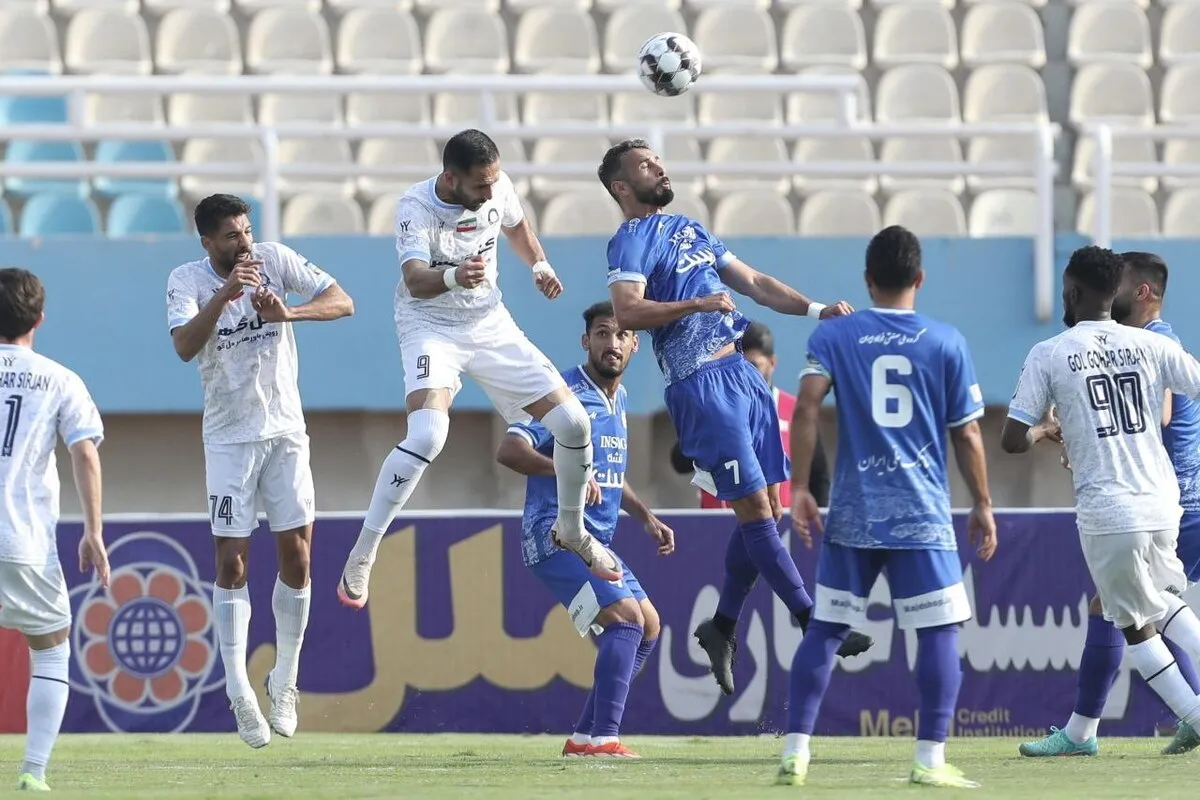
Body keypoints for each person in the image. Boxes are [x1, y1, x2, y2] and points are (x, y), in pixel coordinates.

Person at [597, 138, 872, 700]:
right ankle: (814, 621)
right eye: (646, 165)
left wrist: (817, 310)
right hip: (700, 384)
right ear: (622, 186)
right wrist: (696, 305)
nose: (659, 168)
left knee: (768, 509)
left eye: (658, 160)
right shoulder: (630, 238)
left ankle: (722, 624)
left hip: (745, 378)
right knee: (755, 514)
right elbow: (627, 309)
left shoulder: (691, 229)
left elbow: (757, 283)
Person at [339, 129, 616, 609]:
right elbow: (415, 281)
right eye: (480, 185)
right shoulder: (415, 207)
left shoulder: (497, 186)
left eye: (493, 182)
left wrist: (539, 265)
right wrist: (453, 276)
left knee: (574, 423)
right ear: (451, 178)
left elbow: (517, 228)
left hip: (489, 323)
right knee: (428, 435)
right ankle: (364, 552)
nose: (490, 192)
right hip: (430, 326)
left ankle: (571, 529)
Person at [780, 226, 997, 789]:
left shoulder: (835, 335)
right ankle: (929, 760)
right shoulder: (946, 341)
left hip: (854, 510)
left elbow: (806, 408)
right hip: (920, 514)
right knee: (938, 634)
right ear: (919, 278)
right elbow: (968, 433)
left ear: (867, 279)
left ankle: (795, 752)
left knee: (826, 629)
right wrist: (983, 503)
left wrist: (800, 487)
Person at [166, 194, 355, 748]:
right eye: (231, 236)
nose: (245, 243)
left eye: (246, 231)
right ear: (208, 242)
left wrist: (288, 313)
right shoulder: (185, 280)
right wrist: (226, 294)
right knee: (232, 562)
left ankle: (285, 679)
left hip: (286, 432)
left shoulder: (275, 258)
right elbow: (183, 346)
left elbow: (342, 301)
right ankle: (238, 689)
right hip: (229, 438)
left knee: (299, 556)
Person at [1002, 245, 1200, 767]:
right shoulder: (1150, 343)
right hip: (1162, 501)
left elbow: (1011, 439)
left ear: (1071, 292)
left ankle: (1195, 717)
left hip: (1111, 510)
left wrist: (1046, 427)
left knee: (1133, 621)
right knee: (1158, 602)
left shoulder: (1051, 352)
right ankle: (1081, 731)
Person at [496, 301, 673, 759]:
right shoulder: (560, 395)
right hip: (553, 534)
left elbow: (609, 474)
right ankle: (603, 739)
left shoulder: (621, 399)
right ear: (586, 341)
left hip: (595, 542)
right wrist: (565, 471)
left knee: (648, 626)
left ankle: (583, 737)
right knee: (626, 620)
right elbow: (510, 450)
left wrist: (646, 516)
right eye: (602, 333)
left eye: (621, 335)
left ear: (634, 344)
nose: (612, 343)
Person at [0, 268, 107, 791]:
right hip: (23, 539)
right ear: (39, 318)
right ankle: (33, 771)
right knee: (50, 647)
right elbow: (84, 452)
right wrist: (93, 531)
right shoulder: (61, 379)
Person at [669, 320, 831, 508]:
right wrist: (709, 427)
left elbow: (818, 477)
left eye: (754, 365)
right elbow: (679, 463)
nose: (745, 375)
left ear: (772, 363)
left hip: (778, 521)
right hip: (717, 522)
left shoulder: (795, 411)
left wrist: (816, 522)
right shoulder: (713, 407)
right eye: (739, 366)